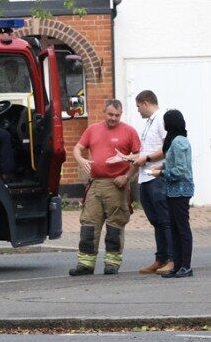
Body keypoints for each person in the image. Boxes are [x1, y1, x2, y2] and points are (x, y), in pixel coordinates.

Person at [69, 100, 141, 276]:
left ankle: (112, 263)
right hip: (95, 184)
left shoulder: (129, 131)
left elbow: (138, 157)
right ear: (104, 112)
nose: (113, 118)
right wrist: (81, 160)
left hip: (116, 185)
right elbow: (77, 148)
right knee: (88, 224)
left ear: (121, 114)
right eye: (110, 114)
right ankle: (85, 264)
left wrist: (126, 177)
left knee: (115, 226)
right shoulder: (93, 129)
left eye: (117, 115)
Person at [125, 91, 173, 274]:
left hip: (157, 176)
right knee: (155, 221)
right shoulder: (148, 123)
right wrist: (129, 157)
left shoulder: (161, 119)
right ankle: (160, 259)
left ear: (145, 103)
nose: (137, 110)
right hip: (145, 177)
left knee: (164, 219)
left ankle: (171, 259)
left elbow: (167, 147)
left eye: (138, 106)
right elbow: (147, 150)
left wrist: (146, 159)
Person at [146, 110, 194, 279]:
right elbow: (173, 161)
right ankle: (177, 266)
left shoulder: (179, 141)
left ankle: (186, 266)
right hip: (172, 191)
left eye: (166, 122)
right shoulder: (174, 140)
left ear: (171, 123)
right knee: (174, 229)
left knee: (182, 229)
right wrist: (162, 167)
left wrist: (161, 174)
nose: (164, 125)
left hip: (181, 191)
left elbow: (181, 169)